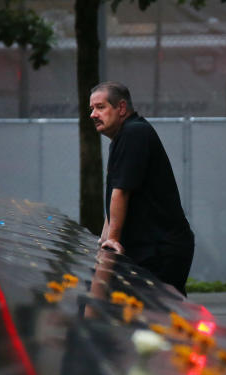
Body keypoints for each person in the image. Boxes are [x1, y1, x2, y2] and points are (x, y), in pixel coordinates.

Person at [89, 81, 195, 295]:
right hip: (152, 247)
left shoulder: (134, 133)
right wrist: (104, 240)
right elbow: (115, 195)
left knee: (155, 314)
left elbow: (122, 191)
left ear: (121, 108)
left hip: (160, 249)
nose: (93, 114)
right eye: (92, 109)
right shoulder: (125, 136)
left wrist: (113, 240)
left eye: (100, 107)